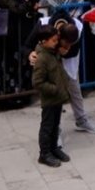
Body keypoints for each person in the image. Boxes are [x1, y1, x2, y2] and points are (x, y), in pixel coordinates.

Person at [31, 21, 76, 168]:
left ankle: (53, 148)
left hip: (58, 97)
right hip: (50, 98)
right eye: (54, 41)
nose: (56, 43)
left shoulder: (53, 53)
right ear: (44, 41)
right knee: (47, 125)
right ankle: (44, 153)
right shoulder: (42, 58)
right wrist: (54, 89)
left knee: (56, 124)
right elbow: (37, 82)